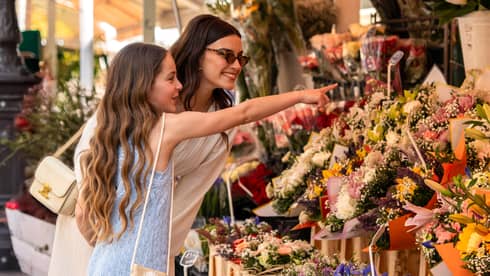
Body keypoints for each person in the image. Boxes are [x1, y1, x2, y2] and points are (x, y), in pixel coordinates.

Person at [47, 14, 331, 276]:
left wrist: (102, 241)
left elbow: (86, 212)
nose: (236, 65)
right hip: (137, 258)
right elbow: (245, 112)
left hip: (108, 253)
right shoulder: (166, 126)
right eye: (226, 55)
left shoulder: (118, 126)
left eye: (240, 58)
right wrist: (300, 96)